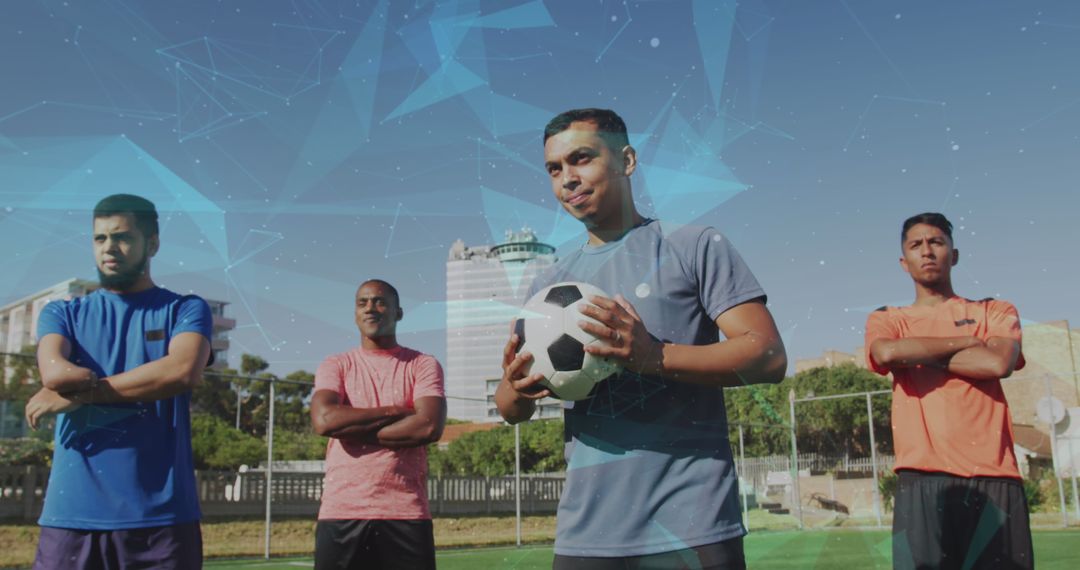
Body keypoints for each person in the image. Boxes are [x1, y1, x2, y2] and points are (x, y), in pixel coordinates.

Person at [495, 108, 787, 569]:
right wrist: (515, 386)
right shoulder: (547, 285)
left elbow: (768, 356)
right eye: (555, 169)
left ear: (626, 160)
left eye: (582, 159)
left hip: (692, 527)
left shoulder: (693, 246)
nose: (568, 178)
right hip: (585, 535)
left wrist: (655, 355)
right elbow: (511, 410)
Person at [24, 194, 213, 570]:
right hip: (71, 517)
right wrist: (71, 384)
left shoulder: (185, 309)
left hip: (161, 521)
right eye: (100, 238)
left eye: (123, 236)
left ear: (152, 243)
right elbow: (55, 373)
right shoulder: (62, 312)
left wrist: (81, 394)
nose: (110, 247)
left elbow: (181, 370)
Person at [865, 212, 1033, 570]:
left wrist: (919, 355)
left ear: (953, 255)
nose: (927, 251)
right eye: (916, 245)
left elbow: (996, 364)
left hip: (995, 477)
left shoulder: (994, 310)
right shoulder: (887, 317)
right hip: (921, 479)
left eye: (936, 242)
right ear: (903, 262)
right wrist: (966, 342)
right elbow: (887, 352)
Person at [309, 279, 447, 570]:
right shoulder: (336, 364)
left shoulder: (422, 364)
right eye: (363, 302)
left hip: (405, 513)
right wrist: (395, 412)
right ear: (355, 313)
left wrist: (350, 429)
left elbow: (427, 427)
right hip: (342, 512)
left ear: (399, 313)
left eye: (380, 301)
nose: (370, 308)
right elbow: (324, 421)